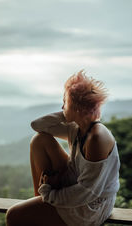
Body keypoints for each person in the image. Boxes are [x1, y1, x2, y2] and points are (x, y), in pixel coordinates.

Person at [6, 70, 120, 226]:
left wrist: (48, 193)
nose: (61, 106)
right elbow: (37, 126)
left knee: (14, 216)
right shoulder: (77, 127)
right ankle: (42, 204)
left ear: (77, 108)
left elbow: (88, 192)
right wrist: (69, 112)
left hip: (90, 206)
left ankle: (44, 203)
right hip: (77, 187)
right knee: (40, 140)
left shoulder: (97, 138)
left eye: (64, 102)